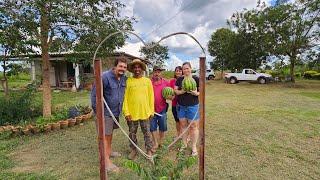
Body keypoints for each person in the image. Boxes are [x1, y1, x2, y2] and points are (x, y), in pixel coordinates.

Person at [91, 57, 128, 172]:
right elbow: (94, 95)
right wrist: (98, 112)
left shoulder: (123, 78)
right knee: (104, 137)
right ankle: (106, 162)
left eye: (125, 67)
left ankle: (109, 151)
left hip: (115, 111)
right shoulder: (104, 77)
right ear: (115, 66)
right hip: (105, 113)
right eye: (120, 66)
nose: (122, 69)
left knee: (109, 134)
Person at [123, 59, 154, 160]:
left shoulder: (147, 81)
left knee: (147, 133)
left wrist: (151, 111)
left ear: (142, 69)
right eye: (135, 67)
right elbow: (125, 98)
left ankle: (149, 150)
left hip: (145, 112)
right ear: (132, 69)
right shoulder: (128, 81)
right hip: (132, 114)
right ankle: (133, 150)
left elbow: (151, 97)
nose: (137, 69)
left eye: (139, 67)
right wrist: (126, 112)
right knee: (132, 133)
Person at [174, 62, 200, 156]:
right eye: (184, 69)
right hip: (181, 106)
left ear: (190, 68)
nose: (186, 70)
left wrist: (196, 93)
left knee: (193, 127)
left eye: (187, 68)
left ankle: (193, 146)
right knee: (183, 126)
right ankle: (184, 145)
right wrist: (182, 91)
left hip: (193, 106)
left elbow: (201, 91)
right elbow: (175, 90)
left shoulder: (196, 79)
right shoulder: (180, 79)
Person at [150, 66, 170, 149]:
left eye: (159, 72)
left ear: (161, 73)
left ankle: (161, 141)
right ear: (153, 73)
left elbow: (171, 94)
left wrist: (170, 96)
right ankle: (155, 142)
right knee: (152, 127)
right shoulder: (148, 82)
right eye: (155, 72)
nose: (157, 73)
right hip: (151, 110)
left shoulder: (166, 82)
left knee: (163, 127)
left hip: (162, 109)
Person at [169, 66, 183, 137]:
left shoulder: (185, 80)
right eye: (177, 70)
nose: (178, 72)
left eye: (180, 71)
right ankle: (178, 135)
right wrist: (170, 96)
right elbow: (169, 93)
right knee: (177, 121)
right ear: (175, 72)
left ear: (182, 71)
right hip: (174, 104)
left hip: (183, 104)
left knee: (184, 121)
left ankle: (186, 136)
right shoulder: (172, 81)